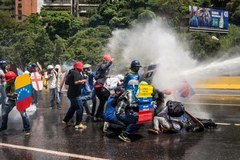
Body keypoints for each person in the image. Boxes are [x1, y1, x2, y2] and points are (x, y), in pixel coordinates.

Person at [62, 61, 87, 129]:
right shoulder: (75, 72)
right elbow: (76, 82)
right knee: (80, 108)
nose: (82, 68)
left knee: (73, 108)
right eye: (81, 66)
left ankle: (65, 120)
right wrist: (82, 81)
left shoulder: (71, 72)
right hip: (75, 94)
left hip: (71, 93)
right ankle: (78, 124)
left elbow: (67, 82)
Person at [94, 54, 113, 120]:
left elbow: (101, 74)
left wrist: (107, 77)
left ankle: (97, 116)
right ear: (105, 61)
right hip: (100, 87)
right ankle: (109, 116)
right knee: (111, 100)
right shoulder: (102, 65)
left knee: (102, 102)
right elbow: (103, 68)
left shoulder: (103, 68)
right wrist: (110, 62)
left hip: (99, 87)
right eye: (108, 61)